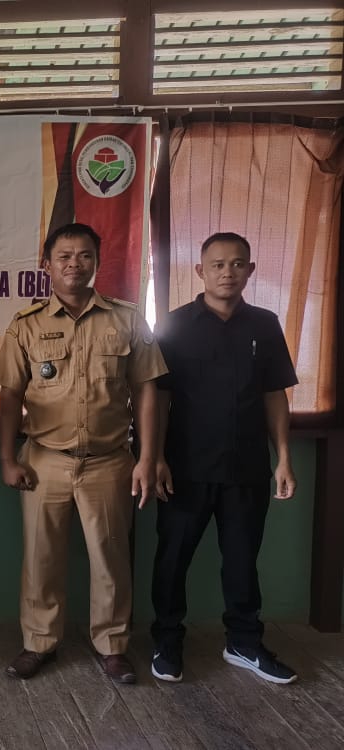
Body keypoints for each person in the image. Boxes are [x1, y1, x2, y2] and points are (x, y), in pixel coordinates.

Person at [0, 222, 166, 684]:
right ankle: (38, 643)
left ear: (97, 262)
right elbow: (10, 396)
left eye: (85, 255)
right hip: (44, 460)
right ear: (46, 265)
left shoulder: (128, 320)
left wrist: (148, 458)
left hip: (109, 460)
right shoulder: (26, 325)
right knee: (41, 558)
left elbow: (147, 392)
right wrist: (7, 459)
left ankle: (112, 646)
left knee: (111, 559)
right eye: (64, 256)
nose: (75, 264)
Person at [150, 232, 298, 685]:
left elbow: (274, 395)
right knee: (172, 559)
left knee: (242, 560)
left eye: (237, 264)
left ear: (250, 270)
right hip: (185, 468)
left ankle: (244, 642)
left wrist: (284, 458)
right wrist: (154, 456)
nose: (227, 273)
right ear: (200, 271)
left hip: (246, 468)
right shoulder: (174, 326)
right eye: (217, 264)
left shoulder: (265, 325)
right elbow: (157, 397)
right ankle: (167, 640)